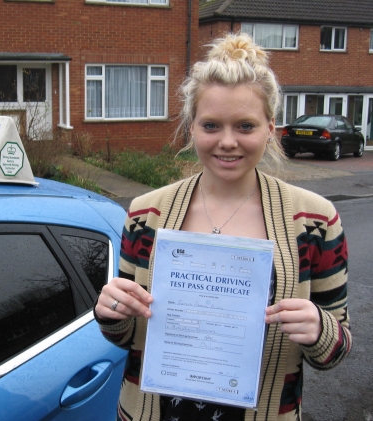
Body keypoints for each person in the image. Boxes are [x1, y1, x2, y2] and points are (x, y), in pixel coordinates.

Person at [95, 33, 351, 421]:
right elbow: (129, 338)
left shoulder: (315, 220)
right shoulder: (147, 213)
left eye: (245, 126)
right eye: (211, 125)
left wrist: (319, 328)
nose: (227, 142)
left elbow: (337, 349)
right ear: (191, 126)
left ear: (270, 127)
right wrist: (112, 313)